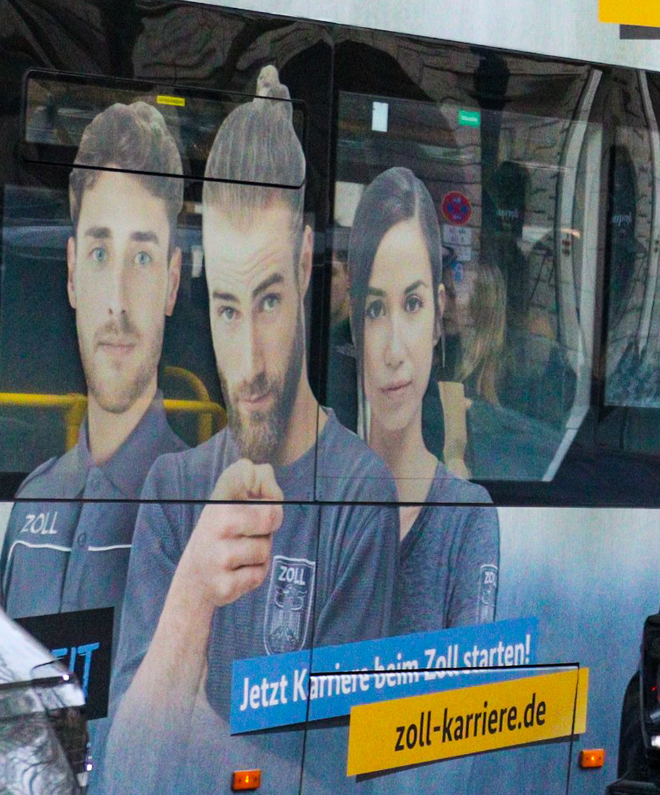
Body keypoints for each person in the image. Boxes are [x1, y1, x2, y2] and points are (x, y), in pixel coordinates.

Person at [111, 64, 399, 742]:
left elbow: (333, 787)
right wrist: (193, 594)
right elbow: (124, 769)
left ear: (304, 264)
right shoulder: (174, 487)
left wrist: (177, 719)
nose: (249, 362)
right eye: (226, 309)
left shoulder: (359, 493)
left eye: (268, 301)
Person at [0, 99, 190, 617]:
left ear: (172, 284)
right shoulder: (33, 504)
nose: (118, 301)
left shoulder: (202, 512)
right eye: (101, 254)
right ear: (71, 272)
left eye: (143, 258)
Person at [351, 166, 500, 633]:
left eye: (412, 305)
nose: (394, 351)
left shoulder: (466, 520)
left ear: (439, 316)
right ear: (355, 326)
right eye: (375, 310)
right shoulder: (318, 503)